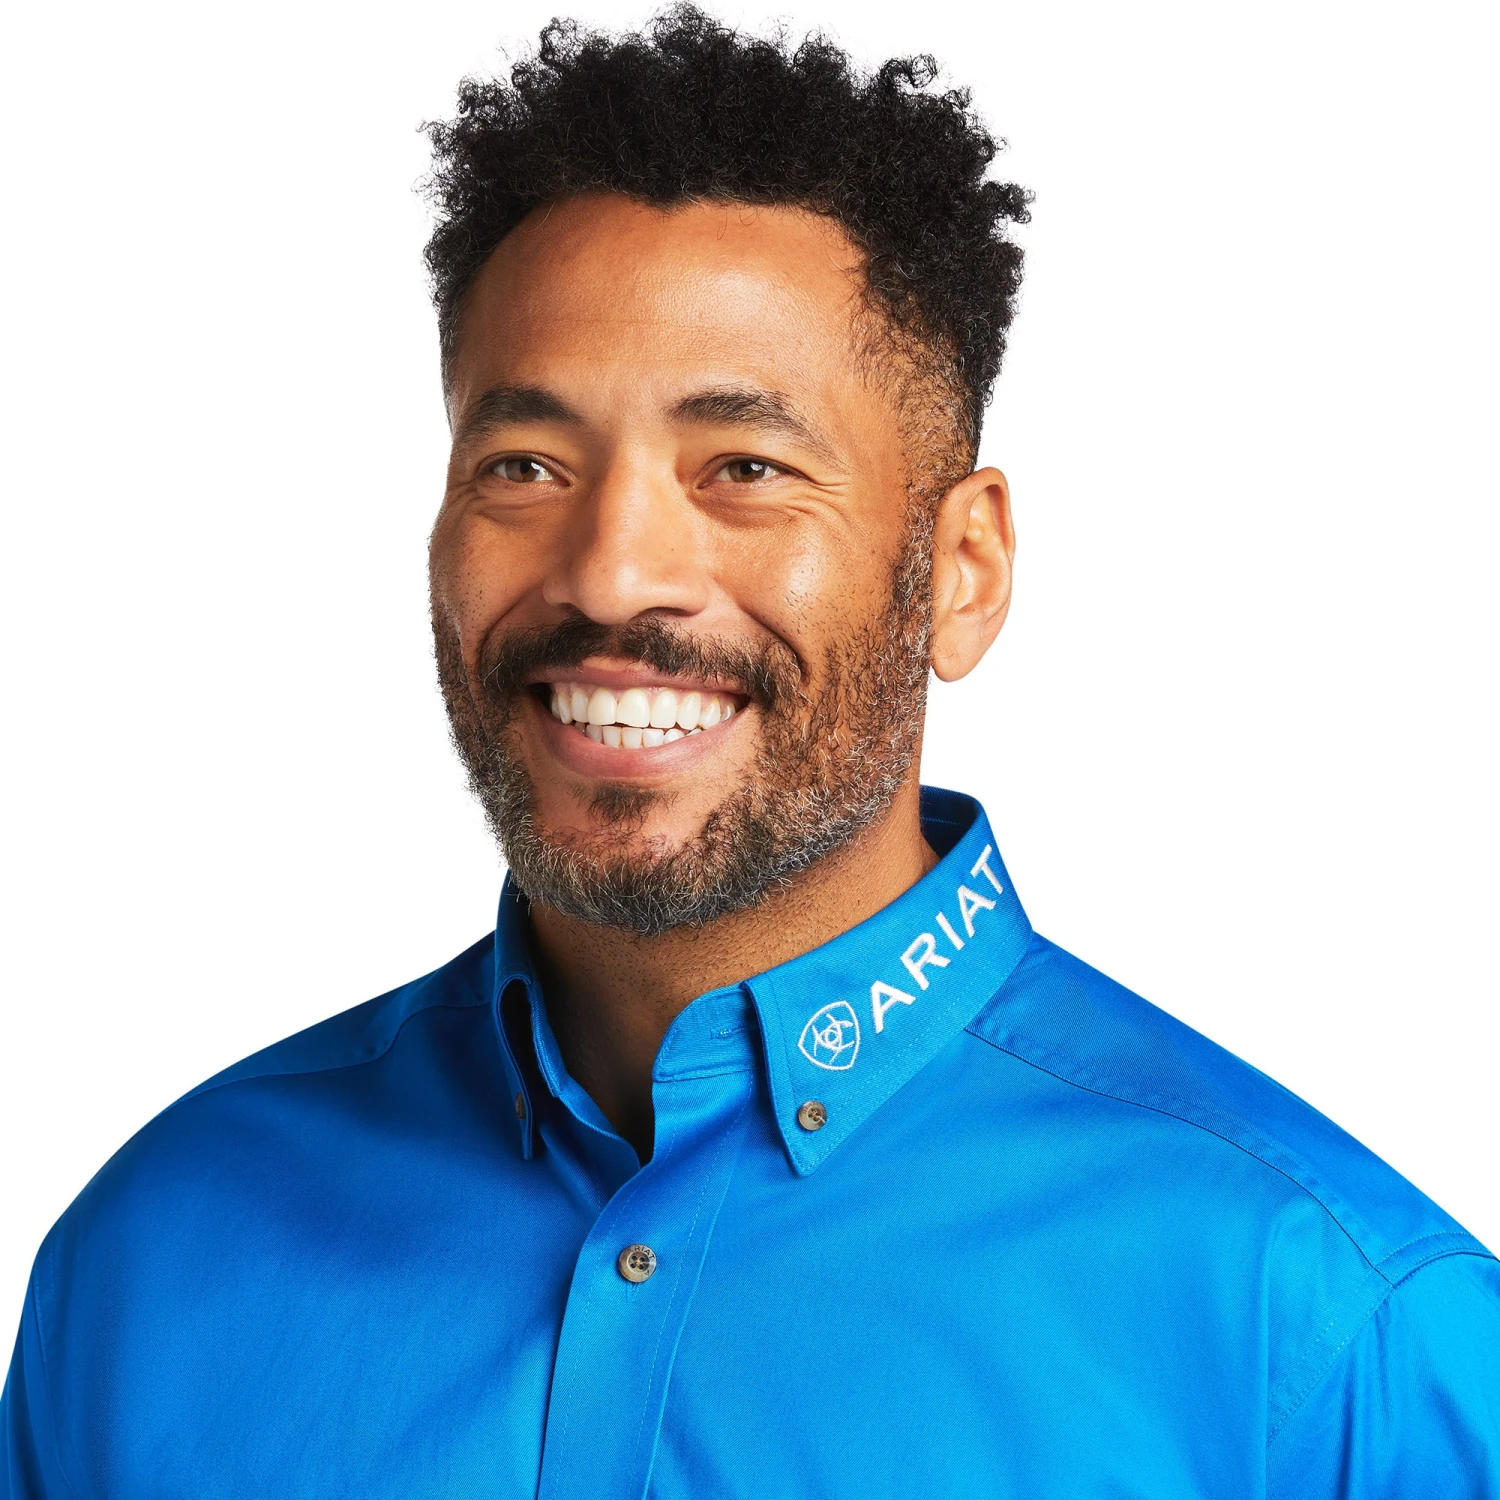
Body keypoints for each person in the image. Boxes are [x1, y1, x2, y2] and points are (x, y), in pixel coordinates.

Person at [4, 9, 1497, 1497]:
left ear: (962, 570)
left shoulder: (1337, 1336)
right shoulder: (147, 1262)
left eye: (745, 469)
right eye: (525, 465)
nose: (613, 574)